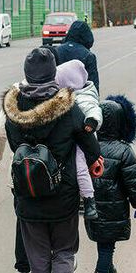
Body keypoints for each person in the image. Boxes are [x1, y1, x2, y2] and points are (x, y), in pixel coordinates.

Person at [2, 48, 103, 273]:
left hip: (27, 196)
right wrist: (94, 161)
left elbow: (13, 146)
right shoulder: (68, 107)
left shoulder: (14, 111)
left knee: (37, 254)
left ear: (26, 74)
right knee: (63, 249)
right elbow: (89, 143)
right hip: (64, 195)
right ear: (52, 73)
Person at [86, 95, 136, 273]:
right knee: (106, 246)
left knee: (103, 240)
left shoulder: (89, 147)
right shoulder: (124, 151)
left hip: (92, 206)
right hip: (115, 207)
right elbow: (134, 183)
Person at [0, 90, 35, 273]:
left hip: (21, 173)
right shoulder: (58, 92)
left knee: (24, 223)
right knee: (53, 221)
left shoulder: (16, 94)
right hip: (53, 172)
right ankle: (55, 269)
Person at [55, 59, 103, 222]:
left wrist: (91, 122)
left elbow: (94, 110)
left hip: (84, 139)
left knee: (80, 167)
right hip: (74, 138)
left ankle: (89, 199)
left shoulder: (83, 96)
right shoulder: (68, 95)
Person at [54, 20, 99, 87]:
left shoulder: (56, 51)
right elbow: (93, 85)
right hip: (80, 94)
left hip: (59, 95)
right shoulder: (88, 56)